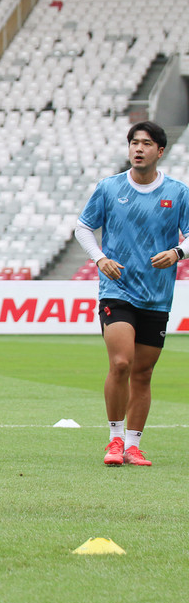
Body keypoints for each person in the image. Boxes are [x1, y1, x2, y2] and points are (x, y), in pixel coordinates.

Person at [75, 121, 189, 467]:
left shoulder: (178, 192)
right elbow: (83, 227)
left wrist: (178, 253)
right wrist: (101, 259)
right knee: (121, 362)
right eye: (134, 143)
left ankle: (133, 444)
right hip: (117, 288)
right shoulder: (109, 188)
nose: (138, 149)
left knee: (143, 372)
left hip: (156, 293)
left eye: (146, 143)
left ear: (160, 151)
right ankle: (114, 440)